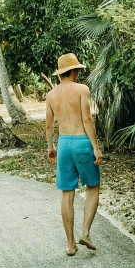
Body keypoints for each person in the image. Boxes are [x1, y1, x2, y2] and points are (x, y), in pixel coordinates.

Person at [46, 53, 103, 256]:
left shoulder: (51, 95)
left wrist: (50, 146)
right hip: (81, 143)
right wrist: (96, 147)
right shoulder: (81, 89)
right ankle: (85, 232)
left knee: (67, 194)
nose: (78, 74)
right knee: (93, 188)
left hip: (63, 144)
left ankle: (70, 245)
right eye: (77, 70)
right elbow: (87, 119)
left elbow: (49, 124)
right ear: (73, 71)